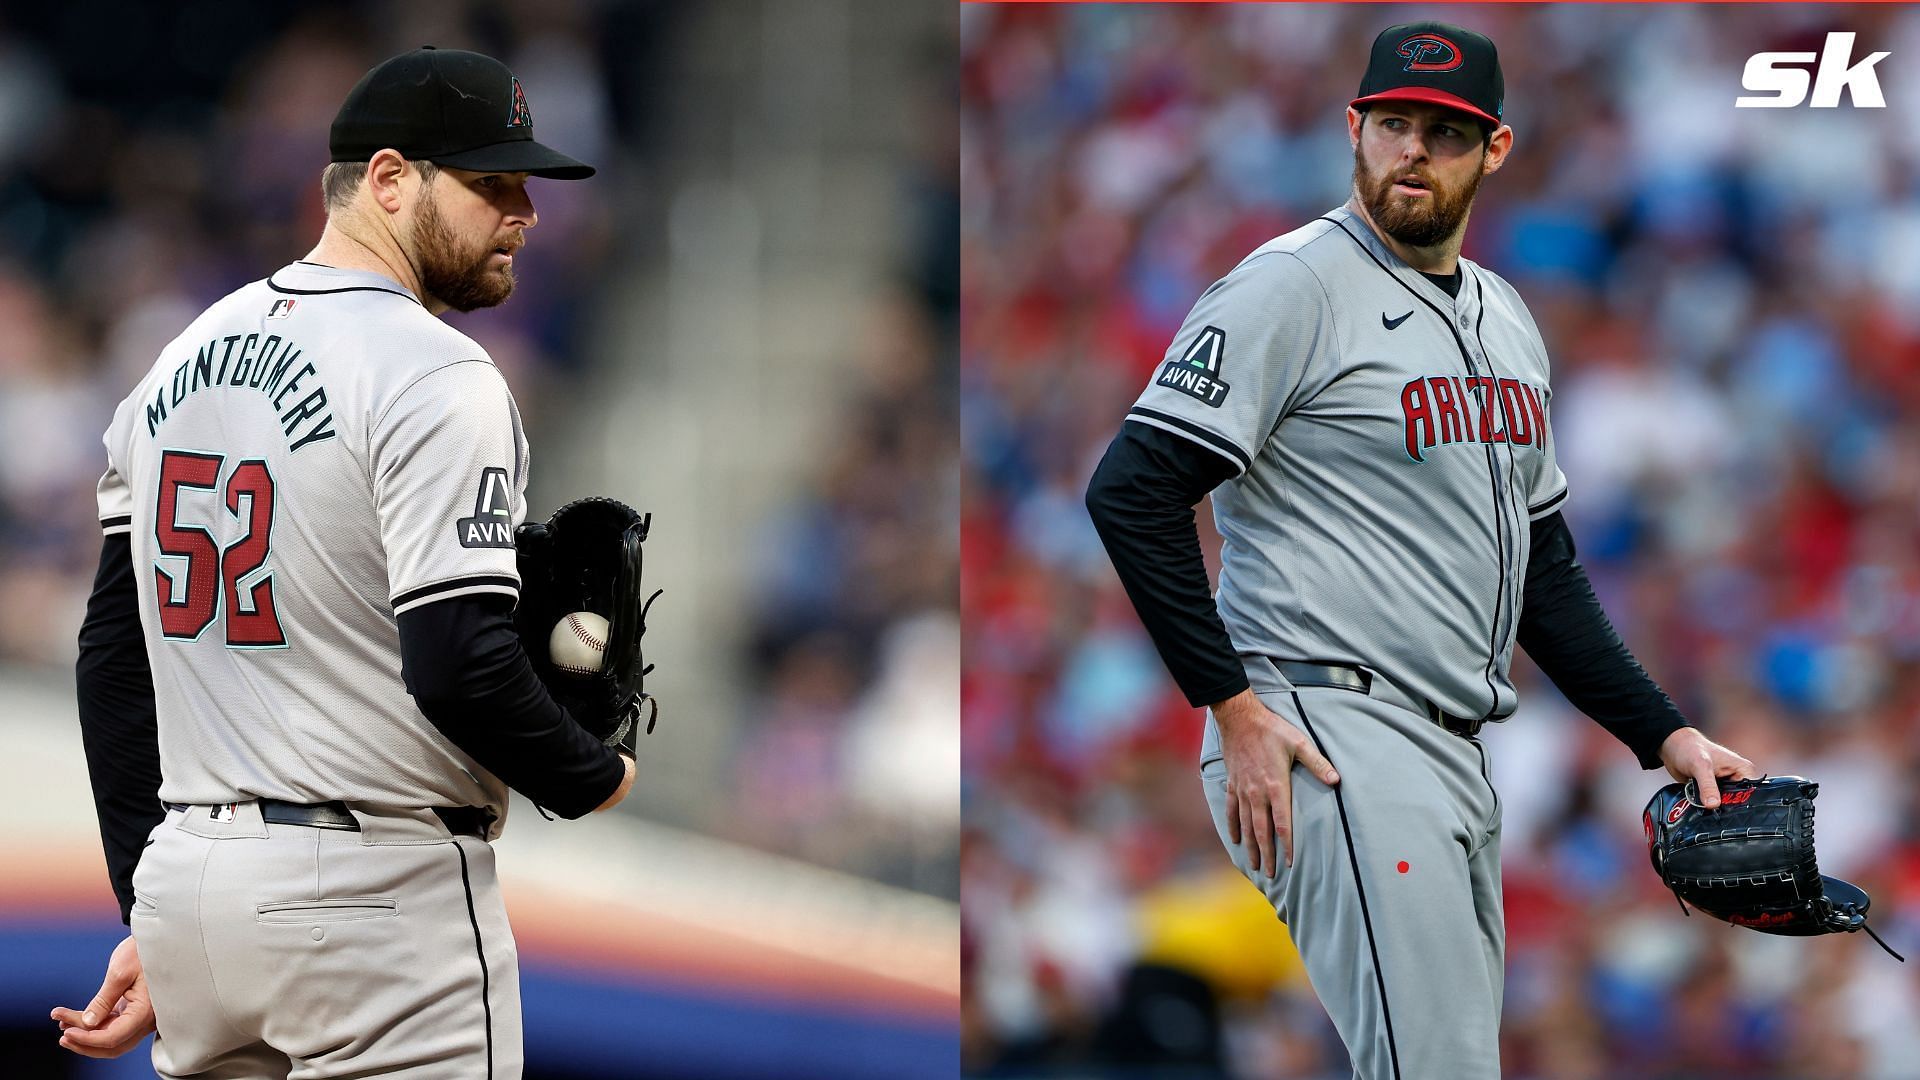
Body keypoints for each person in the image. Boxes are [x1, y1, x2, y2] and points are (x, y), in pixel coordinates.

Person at [1084, 21, 1757, 1078]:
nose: (1413, 151)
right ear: (1355, 130)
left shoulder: (1507, 319)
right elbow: (1132, 489)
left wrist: (1662, 735)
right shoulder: (1292, 285)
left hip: (1449, 747)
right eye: (1394, 124)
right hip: (1326, 721)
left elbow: (1542, 569)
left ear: (1492, 151)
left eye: (1444, 133)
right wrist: (1231, 702)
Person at [56, 46, 634, 1078]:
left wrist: (148, 898)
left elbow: (112, 658)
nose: (525, 212)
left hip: (195, 893)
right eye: (492, 182)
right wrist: (596, 775)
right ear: (388, 178)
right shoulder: (438, 371)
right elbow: (459, 664)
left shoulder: (177, 359)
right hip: (374, 907)